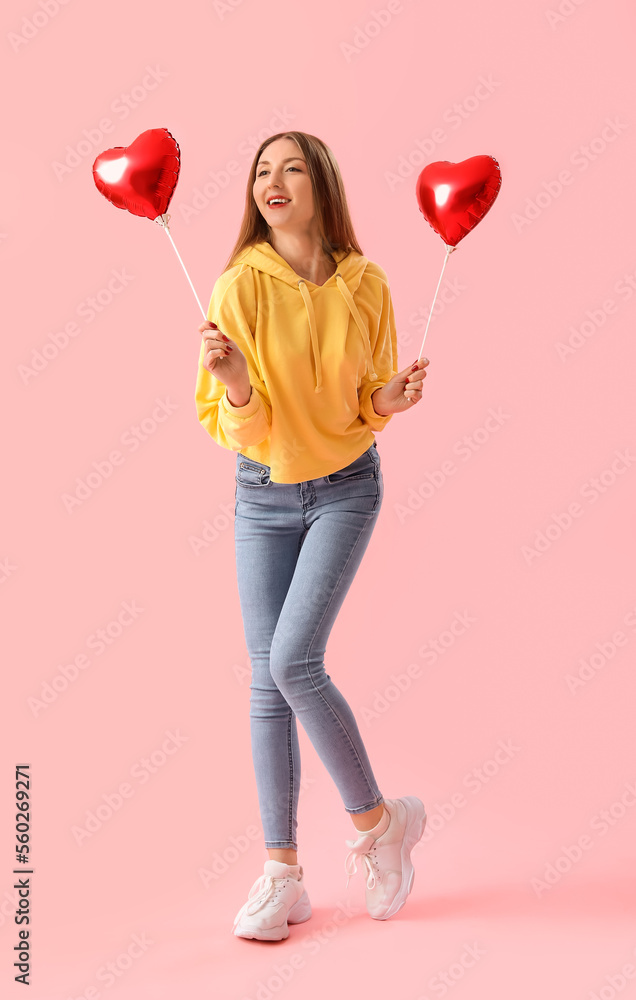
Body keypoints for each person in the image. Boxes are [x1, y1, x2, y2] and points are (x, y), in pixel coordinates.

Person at [194, 131, 430, 942]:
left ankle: (374, 825)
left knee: (293, 662)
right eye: (261, 169)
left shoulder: (368, 284)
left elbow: (363, 404)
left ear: (322, 185)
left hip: (344, 489)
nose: (273, 180)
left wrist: (389, 399)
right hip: (262, 492)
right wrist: (234, 386)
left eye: (291, 166)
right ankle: (283, 874)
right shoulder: (237, 287)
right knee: (266, 680)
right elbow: (238, 430)